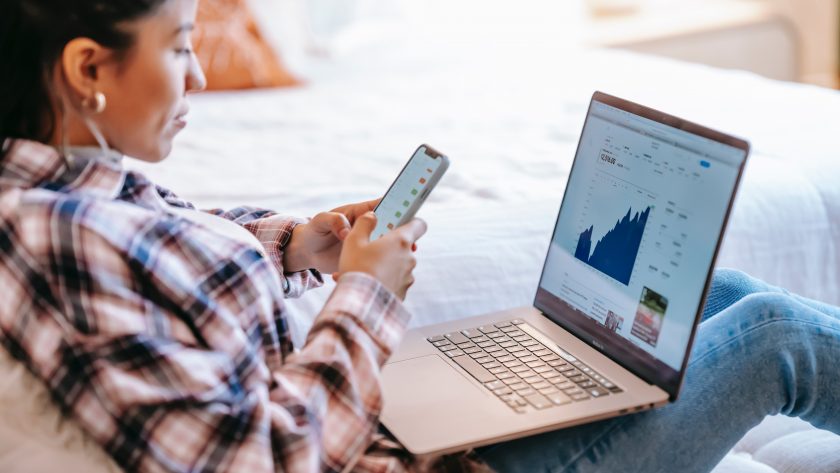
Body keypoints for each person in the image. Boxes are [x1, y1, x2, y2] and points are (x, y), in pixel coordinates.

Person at [1, 1, 839, 472]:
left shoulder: (59, 191)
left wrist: (298, 243)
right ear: (87, 70)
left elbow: (162, 250)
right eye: (180, 47)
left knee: (725, 295)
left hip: (398, 431)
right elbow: (256, 462)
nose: (201, 75)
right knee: (774, 338)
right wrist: (365, 297)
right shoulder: (61, 238)